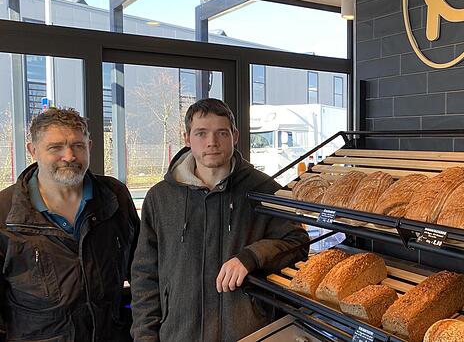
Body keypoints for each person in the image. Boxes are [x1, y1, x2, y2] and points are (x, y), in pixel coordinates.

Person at [131, 98, 309, 341]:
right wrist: (145, 337)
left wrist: (252, 257)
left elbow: (297, 242)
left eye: (221, 133)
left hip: (248, 333)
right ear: (187, 138)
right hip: (179, 334)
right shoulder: (160, 198)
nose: (211, 143)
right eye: (201, 133)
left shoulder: (264, 190)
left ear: (235, 136)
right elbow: (145, 276)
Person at [0, 108, 140, 341]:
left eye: (78, 145)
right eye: (55, 147)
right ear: (33, 150)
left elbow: (140, 269)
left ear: (90, 147)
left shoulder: (114, 197)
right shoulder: (6, 212)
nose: (69, 155)